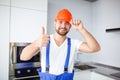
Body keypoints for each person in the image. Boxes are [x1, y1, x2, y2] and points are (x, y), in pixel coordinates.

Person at [20, 8, 100, 80]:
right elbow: (23, 57)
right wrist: (36, 43)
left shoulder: (73, 43)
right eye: (60, 22)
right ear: (55, 23)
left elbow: (95, 48)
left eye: (67, 23)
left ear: (70, 26)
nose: (63, 26)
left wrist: (82, 30)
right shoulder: (44, 40)